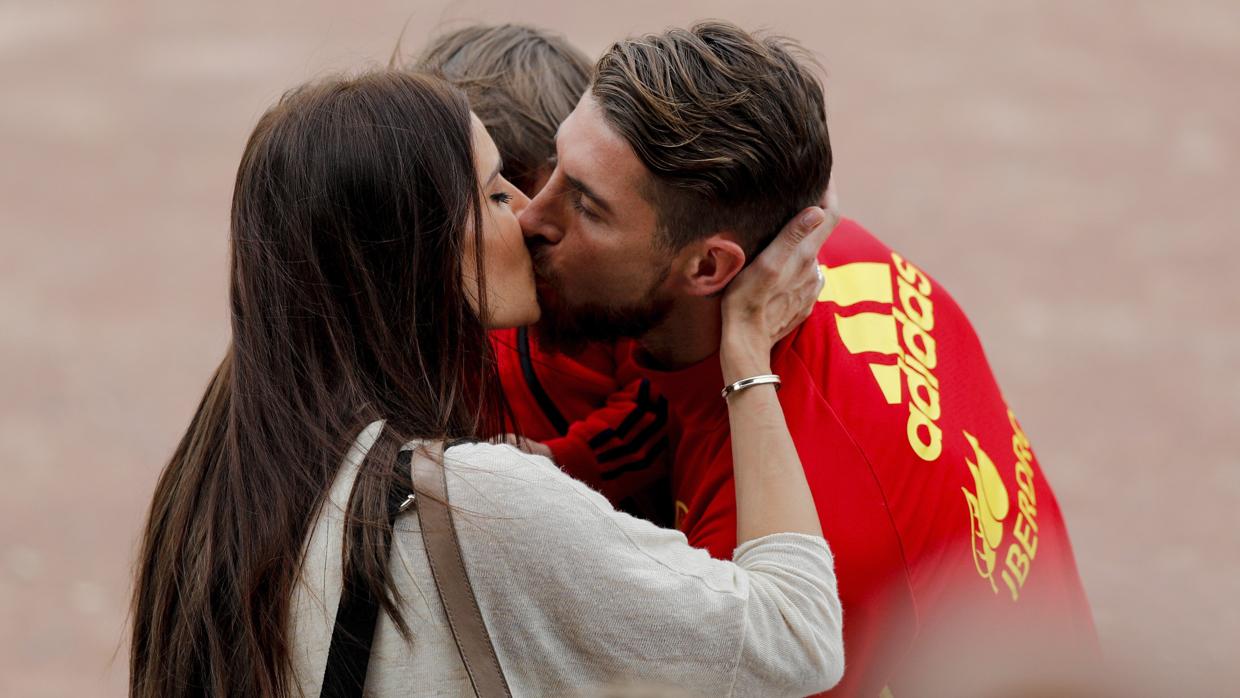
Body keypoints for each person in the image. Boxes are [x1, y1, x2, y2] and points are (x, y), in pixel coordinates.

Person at [128, 70, 846, 697]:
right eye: (498, 192)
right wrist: (748, 352)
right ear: (423, 251)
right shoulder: (478, 506)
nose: (531, 215)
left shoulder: (223, 457)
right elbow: (797, 636)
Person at [508, 21, 1099, 695]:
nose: (531, 217)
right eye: (557, 169)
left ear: (708, 265)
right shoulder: (841, 251)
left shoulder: (757, 549)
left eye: (586, 206)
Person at [411, 24, 675, 523]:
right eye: (493, 194)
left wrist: (560, 459)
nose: (528, 213)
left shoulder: (603, 281)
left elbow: (662, 403)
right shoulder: (446, 287)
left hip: (617, 530)